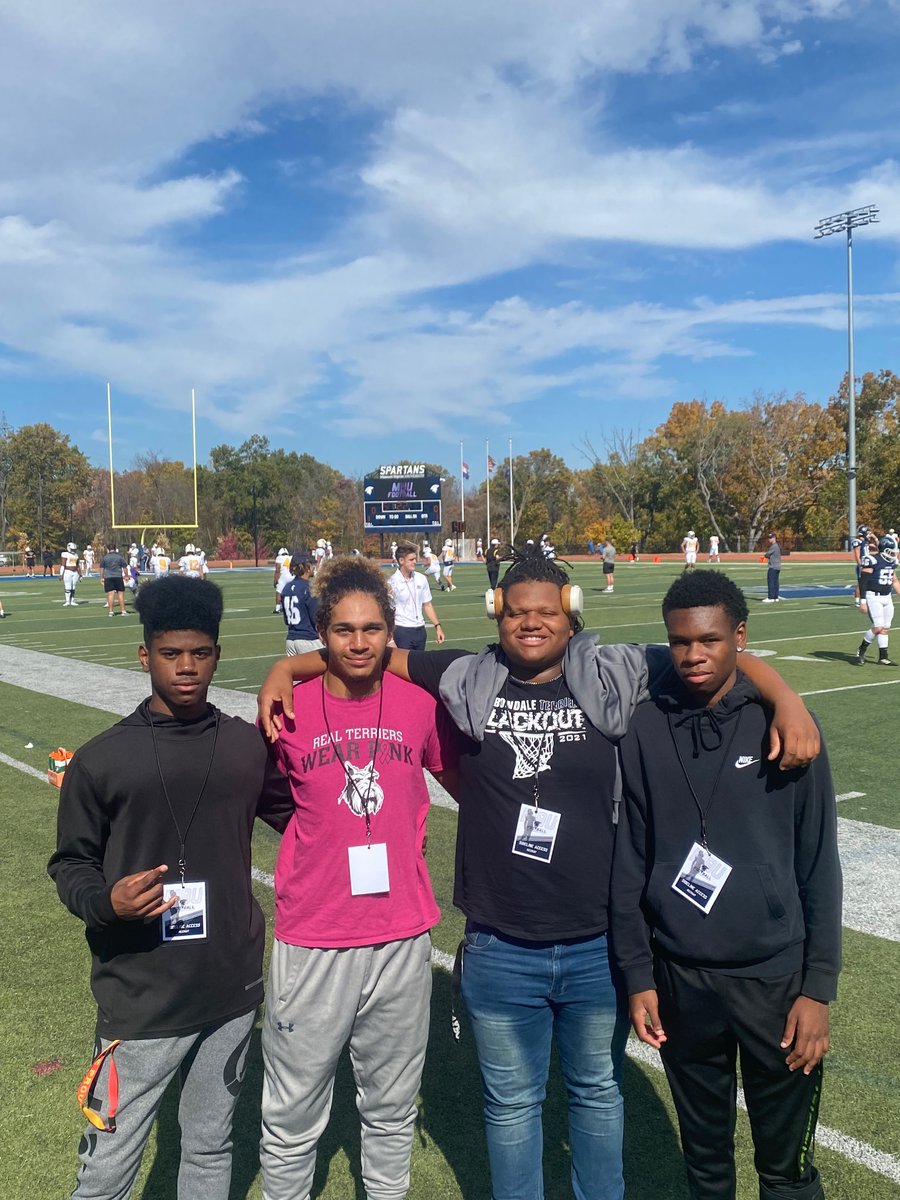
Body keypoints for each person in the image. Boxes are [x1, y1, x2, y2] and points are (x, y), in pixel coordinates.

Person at [258, 547, 819, 1200]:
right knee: (512, 1104)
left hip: (595, 939)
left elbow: (712, 652)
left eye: (546, 612)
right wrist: (283, 666)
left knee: (597, 1092)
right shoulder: (467, 674)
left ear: (570, 616)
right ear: (499, 617)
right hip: (500, 942)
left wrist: (785, 696)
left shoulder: (616, 670)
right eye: (517, 612)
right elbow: (366, 652)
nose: (531, 623)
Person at [48, 575, 293, 1200]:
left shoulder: (245, 745)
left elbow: (301, 821)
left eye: (201, 653)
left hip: (230, 987)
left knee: (210, 1147)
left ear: (217, 652)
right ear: (144, 655)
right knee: (108, 1161)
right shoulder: (102, 760)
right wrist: (107, 902)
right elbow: (71, 863)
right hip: (142, 994)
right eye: (170, 653)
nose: (186, 667)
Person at [611, 570, 841, 1200]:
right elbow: (630, 860)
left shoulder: (788, 729)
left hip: (774, 982)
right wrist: (638, 976)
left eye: (710, 640)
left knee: (786, 1169)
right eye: (680, 642)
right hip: (682, 980)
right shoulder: (643, 730)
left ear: (739, 637)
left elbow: (819, 864)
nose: (693, 655)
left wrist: (817, 990)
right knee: (706, 1165)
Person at [258, 556, 457, 1200]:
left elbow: (469, 786)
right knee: (292, 1111)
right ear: (321, 631)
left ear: (390, 631)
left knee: (393, 1103)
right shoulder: (287, 710)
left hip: (402, 933)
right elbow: (265, 798)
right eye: (344, 629)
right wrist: (282, 671)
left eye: (372, 628)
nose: (359, 642)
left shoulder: (419, 706)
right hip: (313, 933)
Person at [387, 540, 446, 651]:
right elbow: (387, 612)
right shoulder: (392, 583)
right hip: (402, 631)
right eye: (411, 560)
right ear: (401, 561)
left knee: (418, 667)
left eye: (415, 559)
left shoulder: (421, 579)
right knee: (404, 667)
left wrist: (437, 626)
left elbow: (427, 605)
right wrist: (390, 639)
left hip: (420, 631)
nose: (415, 562)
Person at [855, 535, 900, 666]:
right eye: (892, 550)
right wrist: (862, 601)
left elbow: (895, 581)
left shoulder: (891, 562)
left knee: (885, 628)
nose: (894, 553)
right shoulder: (872, 560)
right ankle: (861, 650)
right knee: (878, 626)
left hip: (887, 596)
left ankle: (883, 657)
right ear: (885, 550)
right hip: (873, 596)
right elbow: (863, 582)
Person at [280, 554, 322, 657]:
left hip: (291, 640)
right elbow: (316, 617)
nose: (313, 567)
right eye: (311, 564)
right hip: (308, 640)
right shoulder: (309, 588)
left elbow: (286, 619)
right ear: (306, 567)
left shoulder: (287, 588)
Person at [100, 543, 129, 616]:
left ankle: (110, 611)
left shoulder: (105, 557)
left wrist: (102, 577)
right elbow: (125, 567)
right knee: (120, 594)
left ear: (108, 549)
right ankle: (123, 611)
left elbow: (102, 568)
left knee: (110, 594)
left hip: (108, 577)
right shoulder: (119, 557)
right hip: (118, 576)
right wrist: (126, 575)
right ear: (115, 548)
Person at [61, 542, 82, 606]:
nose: (74, 550)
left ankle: (72, 600)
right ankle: (67, 601)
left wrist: (80, 574)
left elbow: (77, 565)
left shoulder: (76, 555)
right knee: (68, 587)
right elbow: (63, 565)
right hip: (67, 571)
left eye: (74, 549)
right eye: (72, 549)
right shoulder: (65, 554)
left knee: (73, 587)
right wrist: (61, 574)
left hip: (75, 572)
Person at [763, 533, 782, 603]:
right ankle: (775, 597)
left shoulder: (774, 546)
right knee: (775, 582)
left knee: (771, 582)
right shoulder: (776, 546)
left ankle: (770, 597)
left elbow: (767, 554)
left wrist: (763, 558)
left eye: (770, 538)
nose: (769, 539)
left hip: (773, 566)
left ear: (774, 538)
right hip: (777, 566)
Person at [273, 547, 292, 614]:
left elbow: (277, 570)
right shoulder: (290, 557)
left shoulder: (279, 558)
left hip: (283, 576)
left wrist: (275, 581)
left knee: (279, 592)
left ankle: (278, 608)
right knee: (291, 592)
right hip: (291, 576)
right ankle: (291, 606)